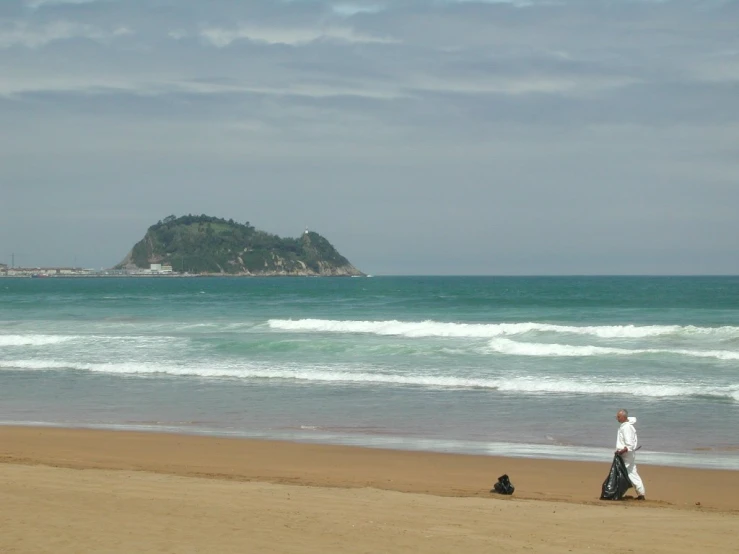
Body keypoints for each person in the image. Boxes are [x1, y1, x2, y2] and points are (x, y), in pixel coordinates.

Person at [615, 409, 645, 500]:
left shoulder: (626, 427)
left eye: (618, 416)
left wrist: (621, 451)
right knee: (632, 472)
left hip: (626, 454)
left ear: (624, 417)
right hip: (629, 454)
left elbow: (629, 444)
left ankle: (617, 493)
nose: (617, 418)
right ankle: (641, 494)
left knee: (620, 472)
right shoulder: (625, 426)